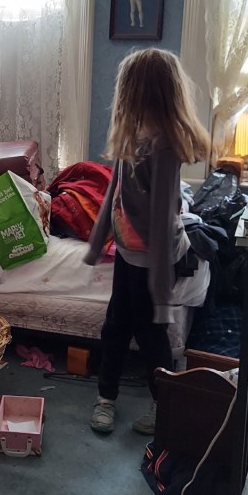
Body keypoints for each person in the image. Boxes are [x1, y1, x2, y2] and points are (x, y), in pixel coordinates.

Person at [85, 48, 210, 435]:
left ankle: (165, 404)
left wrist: (159, 292)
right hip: (128, 254)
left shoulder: (165, 148)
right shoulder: (132, 136)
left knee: (151, 336)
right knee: (115, 328)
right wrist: (96, 242)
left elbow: (161, 219)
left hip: (153, 261)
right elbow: (114, 193)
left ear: (139, 91)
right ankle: (106, 398)